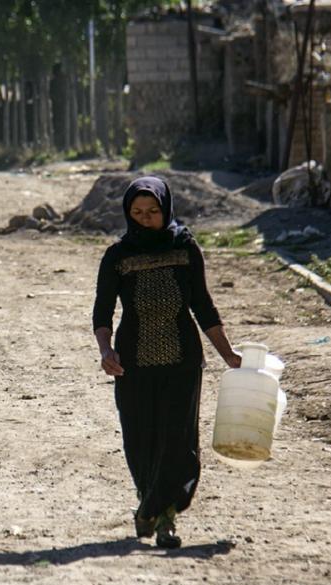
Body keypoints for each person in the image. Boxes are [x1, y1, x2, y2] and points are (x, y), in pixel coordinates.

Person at [91, 176, 240, 549]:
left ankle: (163, 520)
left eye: (152, 212)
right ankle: (149, 503)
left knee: (177, 443)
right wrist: (106, 351)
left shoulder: (186, 249)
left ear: (166, 209)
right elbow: (103, 310)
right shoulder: (117, 256)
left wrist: (228, 354)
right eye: (137, 212)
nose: (144, 219)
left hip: (182, 361)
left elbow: (203, 306)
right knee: (142, 440)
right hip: (133, 363)